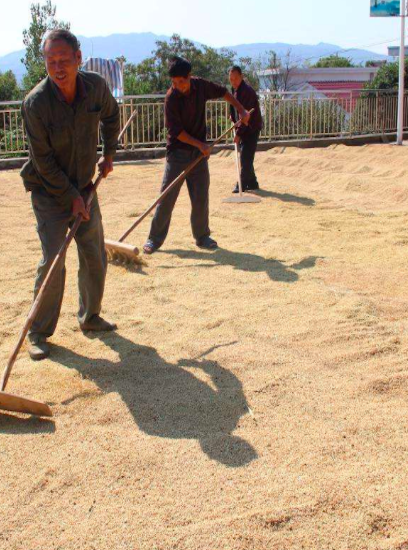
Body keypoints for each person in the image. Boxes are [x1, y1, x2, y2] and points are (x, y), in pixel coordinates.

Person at [20, 29, 120, 360]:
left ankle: (90, 317)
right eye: (51, 61)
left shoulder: (96, 87)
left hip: (85, 186)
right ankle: (38, 331)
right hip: (49, 192)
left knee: (94, 253)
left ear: (79, 58)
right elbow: (43, 162)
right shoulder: (35, 104)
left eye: (64, 60)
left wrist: (108, 154)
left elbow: (111, 115)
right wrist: (71, 198)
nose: (58, 67)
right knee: (54, 258)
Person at [142, 56, 251, 254]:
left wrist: (241, 110)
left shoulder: (200, 86)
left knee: (200, 197)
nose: (178, 86)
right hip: (177, 154)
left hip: (199, 155)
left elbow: (224, 92)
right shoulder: (171, 98)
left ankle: (202, 237)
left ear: (189, 77)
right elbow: (177, 133)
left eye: (181, 82)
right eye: (174, 82)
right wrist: (201, 144)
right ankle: (154, 239)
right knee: (166, 198)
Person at [228, 66, 263, 192]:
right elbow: (234, 106)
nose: (233, 81)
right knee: (246, 155)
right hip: (244, 127)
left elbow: (245, 117)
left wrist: (238, 134)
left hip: (252, 127)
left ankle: (241, 185)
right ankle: (252, 183)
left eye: (235, 79)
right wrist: (232, 116)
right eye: (231, 79)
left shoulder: (247, 91)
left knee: (245, 157)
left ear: (241, 77)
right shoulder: (235, 89)